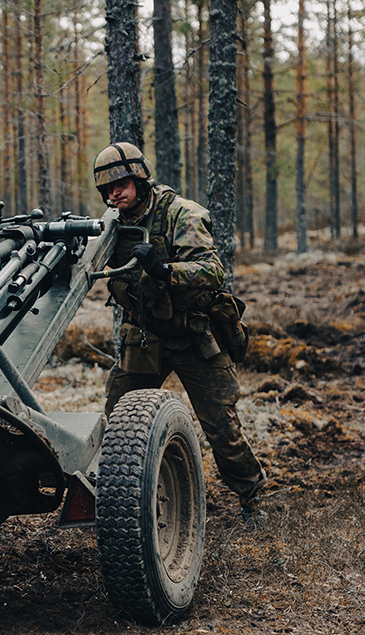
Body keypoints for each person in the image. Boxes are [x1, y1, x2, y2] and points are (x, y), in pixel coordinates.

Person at [93, 142, 267, 522]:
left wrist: (163, 270)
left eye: (121, 185)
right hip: (146, 337)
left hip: (194, 336)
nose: (114, 194)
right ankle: (111, 497)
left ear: (140, 180)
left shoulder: (181, 214)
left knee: (221, 426)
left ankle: (251, 497)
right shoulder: (110, 226)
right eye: (107, 189)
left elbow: (212, 271)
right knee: (116, 420)